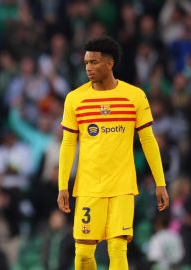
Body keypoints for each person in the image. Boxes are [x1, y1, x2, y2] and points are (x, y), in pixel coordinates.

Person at [56, 36, 170, 270]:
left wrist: (161, 182)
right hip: (88, 187)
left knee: (117, 249)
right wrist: (62, 186)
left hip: (122, 186)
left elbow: (148, 140)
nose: (88, 68)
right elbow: (68, 143)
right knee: (83, 255)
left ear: (110, 64)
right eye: (86, 63)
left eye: (94, 62)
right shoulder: (75, 99)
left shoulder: (134, 96)